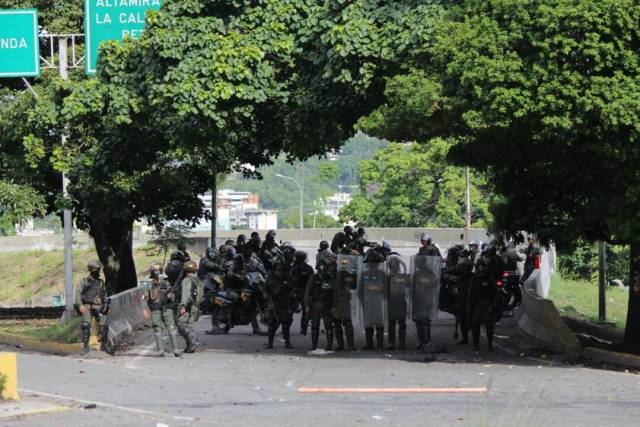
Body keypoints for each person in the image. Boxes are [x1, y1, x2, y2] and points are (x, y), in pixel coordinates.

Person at [144, 262, 180, 357]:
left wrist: (171, 295)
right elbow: (145, 298)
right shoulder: (149, 286)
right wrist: (144, 310)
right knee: (157, 329)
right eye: (155, 271)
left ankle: (176, 349)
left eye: (157, 271)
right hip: (155, 310)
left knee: (171, 328)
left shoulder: (167, 283)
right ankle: (160, 350)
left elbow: (174, 296)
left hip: (166, 309)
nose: (156, 273)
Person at [75, 261, 110, 355]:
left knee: (104, 325)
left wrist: (106, 306)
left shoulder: (101, 282)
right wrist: (80, 305)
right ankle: (86, 347)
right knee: (85, 326)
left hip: (98, 306)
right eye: (97, 269)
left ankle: (105, 345)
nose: (98, 271)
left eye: (98, 269)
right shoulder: (84, 281)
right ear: (92, 270)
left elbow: (104, 295)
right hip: (87, 306)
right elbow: (78, 292)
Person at [469, 246, 501, 352]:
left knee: (489, 325)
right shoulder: (474, 279)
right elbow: (471, 294)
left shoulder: (489, 278)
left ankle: (490, 344)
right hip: (478, 305)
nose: (481, 268)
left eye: (483, 266)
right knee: (475, 324)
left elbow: (495, 292)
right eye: (479, 266)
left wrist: (494, 304)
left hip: (487, 304)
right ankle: (476, 346)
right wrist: (470, 307)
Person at [263, 258, 297, 349]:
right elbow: (265, 288)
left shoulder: (287, 276)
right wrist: (266, 296)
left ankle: (287, 342)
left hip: (284, 302)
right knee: (272, 323)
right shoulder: (271, 275)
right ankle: (270, 343)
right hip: (273, 302)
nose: (279, 267)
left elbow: (292, 289)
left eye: (280, 265)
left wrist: (290, 295)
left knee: (286, 323)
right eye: (277, 266)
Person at [305, 256, 336, 351]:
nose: (321, 270)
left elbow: (333, 292)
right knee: (315, 326)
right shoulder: (313, 277)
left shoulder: (329, 277)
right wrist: (306, 305)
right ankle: (314, 346)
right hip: (315, 304)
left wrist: (334, 306)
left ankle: (329, 346)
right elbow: (308, 291)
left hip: (327, 304)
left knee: (328, 326)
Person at [176, 260, 203, 354]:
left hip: (188, 306)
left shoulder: (187, 280)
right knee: (190, 326)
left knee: (181, 324)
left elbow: (186, 294)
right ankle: (190, 347)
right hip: (196, 306)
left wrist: (182, 305)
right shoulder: (198, 280)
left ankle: (193, 340)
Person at [290, 251, 314, 335]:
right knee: (305, 311)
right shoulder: (308, 268)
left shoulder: (293, 268)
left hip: (299, 292)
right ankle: (303, 329)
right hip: (301, 292)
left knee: (292, 311)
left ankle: (287, 328)